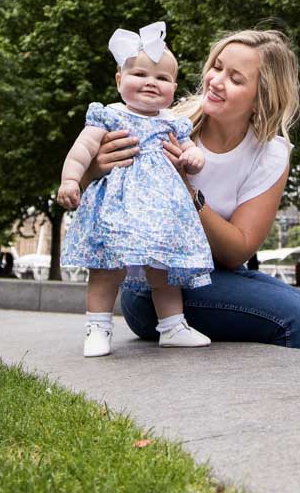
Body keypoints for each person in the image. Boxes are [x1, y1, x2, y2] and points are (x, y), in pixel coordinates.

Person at [87, 28, 300, 358]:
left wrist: (188, 191)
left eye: (235, 79)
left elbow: (236, 251)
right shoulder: (161, 124)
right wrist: (96, 168)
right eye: (217, 67)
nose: (216, 80)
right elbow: (90, 186)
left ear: (260, 97)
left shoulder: (271, 153)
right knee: (297, 319)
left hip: (222, 274)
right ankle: (283, 407)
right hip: (155, 286)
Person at [59, 22, 214, 357]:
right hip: (116, 208)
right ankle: (97, 327)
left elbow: (190, 149)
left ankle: (173, 326)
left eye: (162, 78)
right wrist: (71, 179)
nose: (150, 83)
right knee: (106, 268)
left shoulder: (171, 121)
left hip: (161, 213)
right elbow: (82, 151)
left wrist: (193, 156)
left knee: (164, 271)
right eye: (140, 74)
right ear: (119, 81)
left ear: (174, 87)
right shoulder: (109, 116)